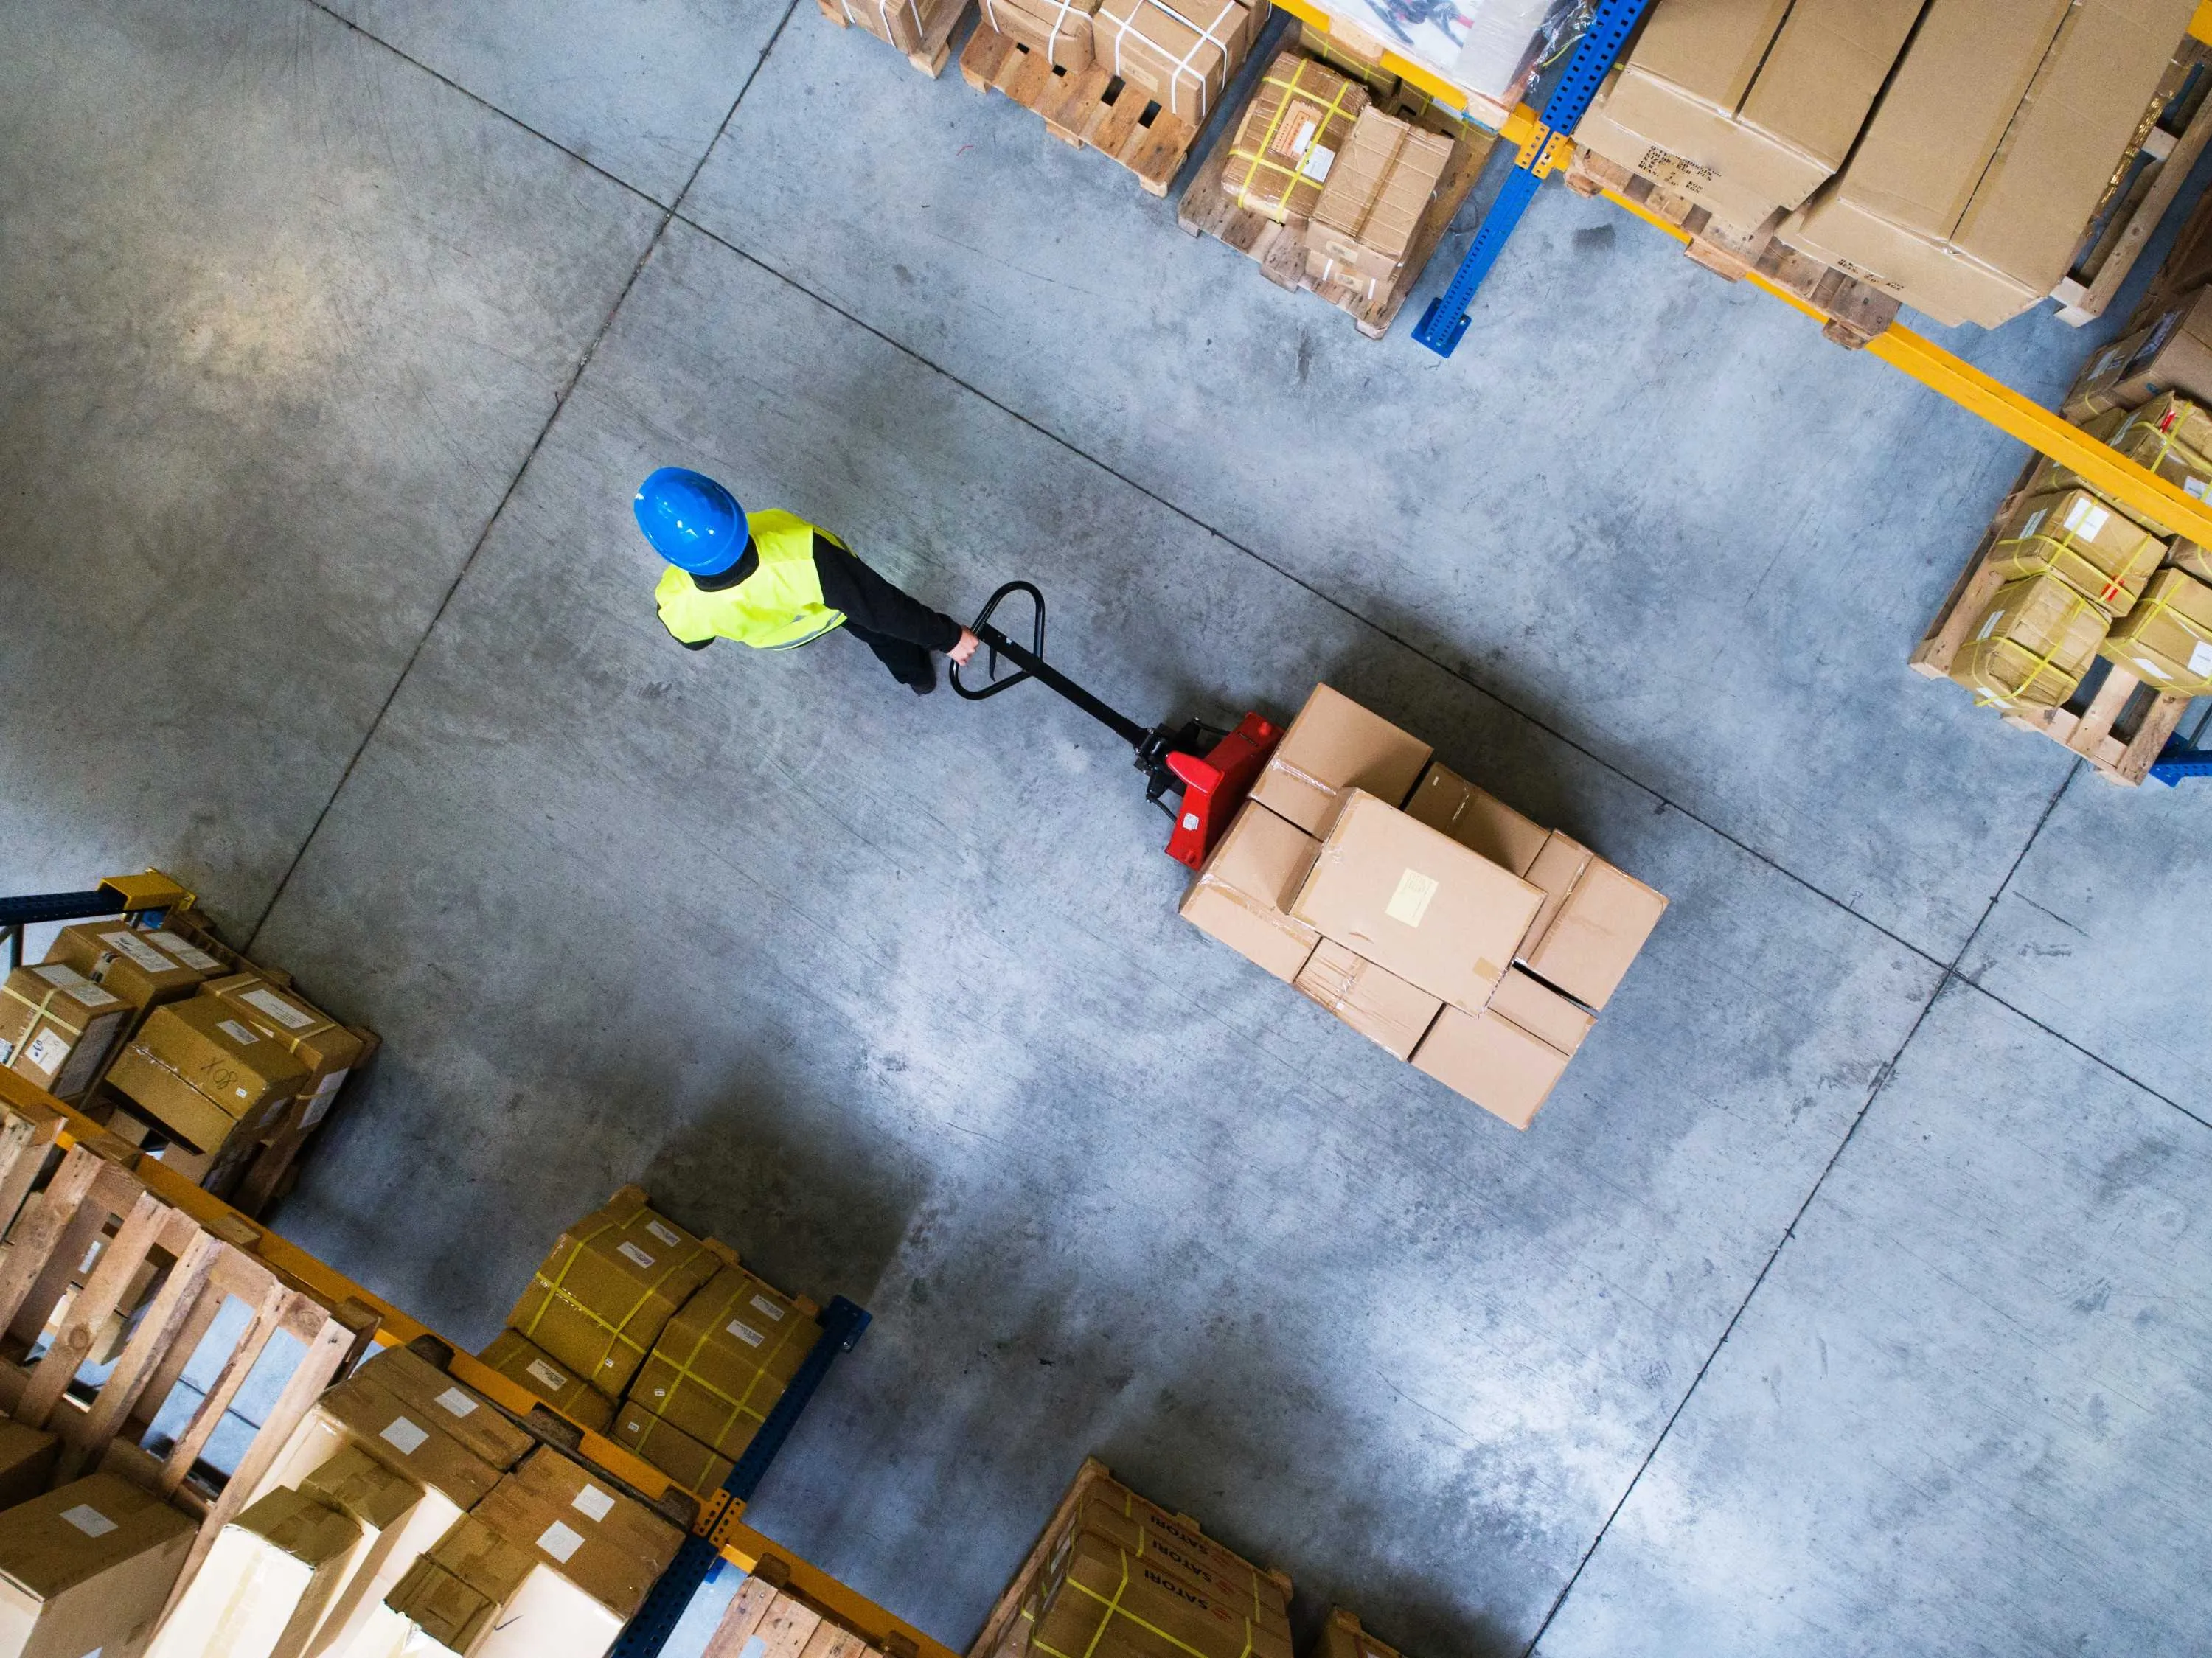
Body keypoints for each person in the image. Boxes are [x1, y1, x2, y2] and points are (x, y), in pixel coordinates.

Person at [634, 467, 979, 694]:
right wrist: (948, 637)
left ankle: (916, 681)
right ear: (729, 509)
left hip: (786, 636)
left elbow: (695, 642)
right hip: (835, 610)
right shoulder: (806, 558)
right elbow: (883, 608)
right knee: (883, 634)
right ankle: (917, 675)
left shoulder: (675, 601)